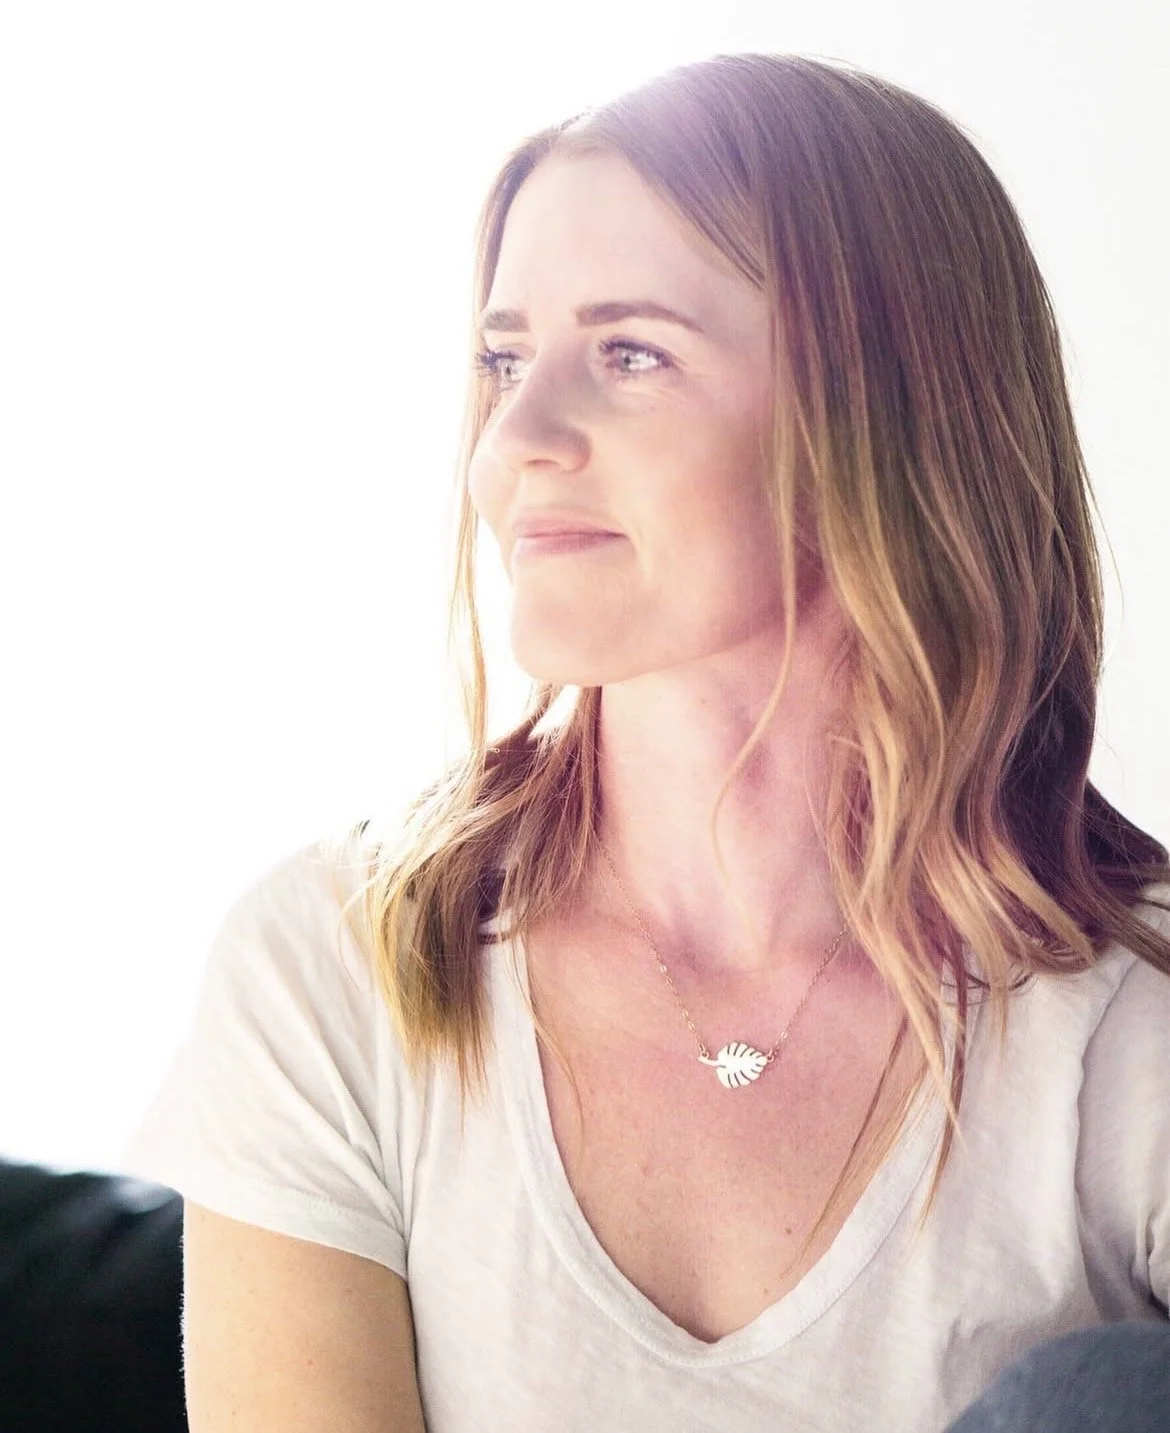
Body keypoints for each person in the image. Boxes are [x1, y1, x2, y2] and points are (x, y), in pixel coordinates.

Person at [120, 52, 1170, 1431]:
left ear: (888, 415)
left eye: (629, 355)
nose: (515, 438)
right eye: (503, 360)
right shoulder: (339, 966)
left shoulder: (1125, 1018)